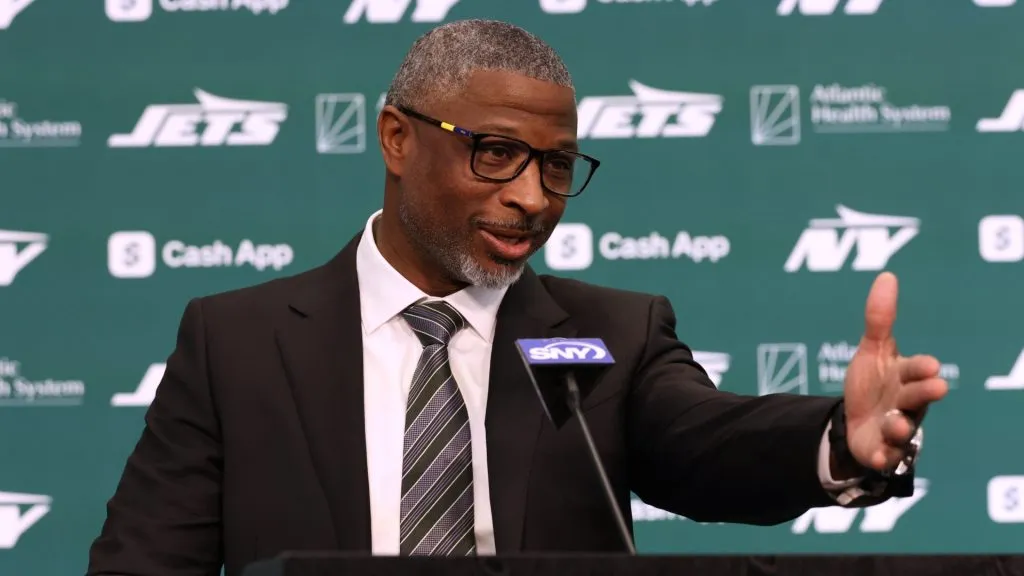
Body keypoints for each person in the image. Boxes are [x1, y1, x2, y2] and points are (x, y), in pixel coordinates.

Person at [86, 18, 948, 576]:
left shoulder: (609, 335)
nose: (533, 197)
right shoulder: (238, 342)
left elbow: (707, 444)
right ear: (396, 137)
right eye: (496, 152)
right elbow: (146, 562)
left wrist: (840, 436)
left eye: (558, 165)